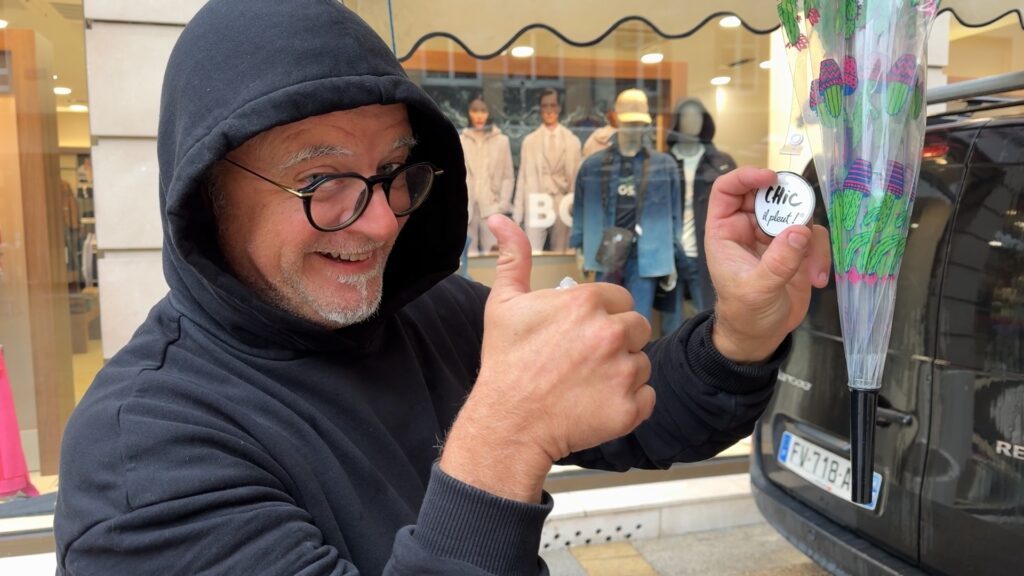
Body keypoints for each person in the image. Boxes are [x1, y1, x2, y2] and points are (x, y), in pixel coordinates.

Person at [53, 1, 831, 575]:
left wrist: (743, 331)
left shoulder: (428, 314)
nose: (382, 222)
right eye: (321, 179)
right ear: (206, 194)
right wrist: (506, 437)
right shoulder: (140, 456)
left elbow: (645, 411)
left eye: (395, 172)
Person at [570, 88, 681, 322]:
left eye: (639, 123)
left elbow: (674, 215)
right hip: (606, 249)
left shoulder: (664, 166)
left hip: (646, 253)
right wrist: (580, 249)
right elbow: (580, 209)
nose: (634, 129)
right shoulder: (592, 166)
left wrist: (670, 258)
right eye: (629, 122)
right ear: (616, 119)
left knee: (638, 322)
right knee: (602, 320)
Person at [661, 98, 738, 334]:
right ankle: (670, 368)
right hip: (670, 253)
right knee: (671, 321)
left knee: (708, 316)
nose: (692, 123)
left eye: (697, 116)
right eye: (686, 117)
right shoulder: (662, 162)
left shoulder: (721, 162)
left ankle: (703, 367)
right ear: (677, 122)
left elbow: (735, 207)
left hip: (705, 252)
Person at [514, 88, 582, 253]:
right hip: (537, 199)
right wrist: (517, 217)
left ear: (559, 108)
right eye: (545, 106)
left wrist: (576, 208)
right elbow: (522, 178)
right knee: (532, 251)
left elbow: (577, 178)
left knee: (562, 253)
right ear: (540, 109)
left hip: (562, 201)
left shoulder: (572, 140)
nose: (549, 110)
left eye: (553, 105)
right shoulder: (530, 141)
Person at [460, 96, 514, 255]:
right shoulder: (461, 140)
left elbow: (508, 176)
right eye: (474, 110)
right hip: (468, 209)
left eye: (483, 111)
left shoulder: (502, 141)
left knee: (494, 258)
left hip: (492, 208)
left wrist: (503, 204)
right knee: (468, 259)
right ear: (468, 113)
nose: (479, 115)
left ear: (489, 113)